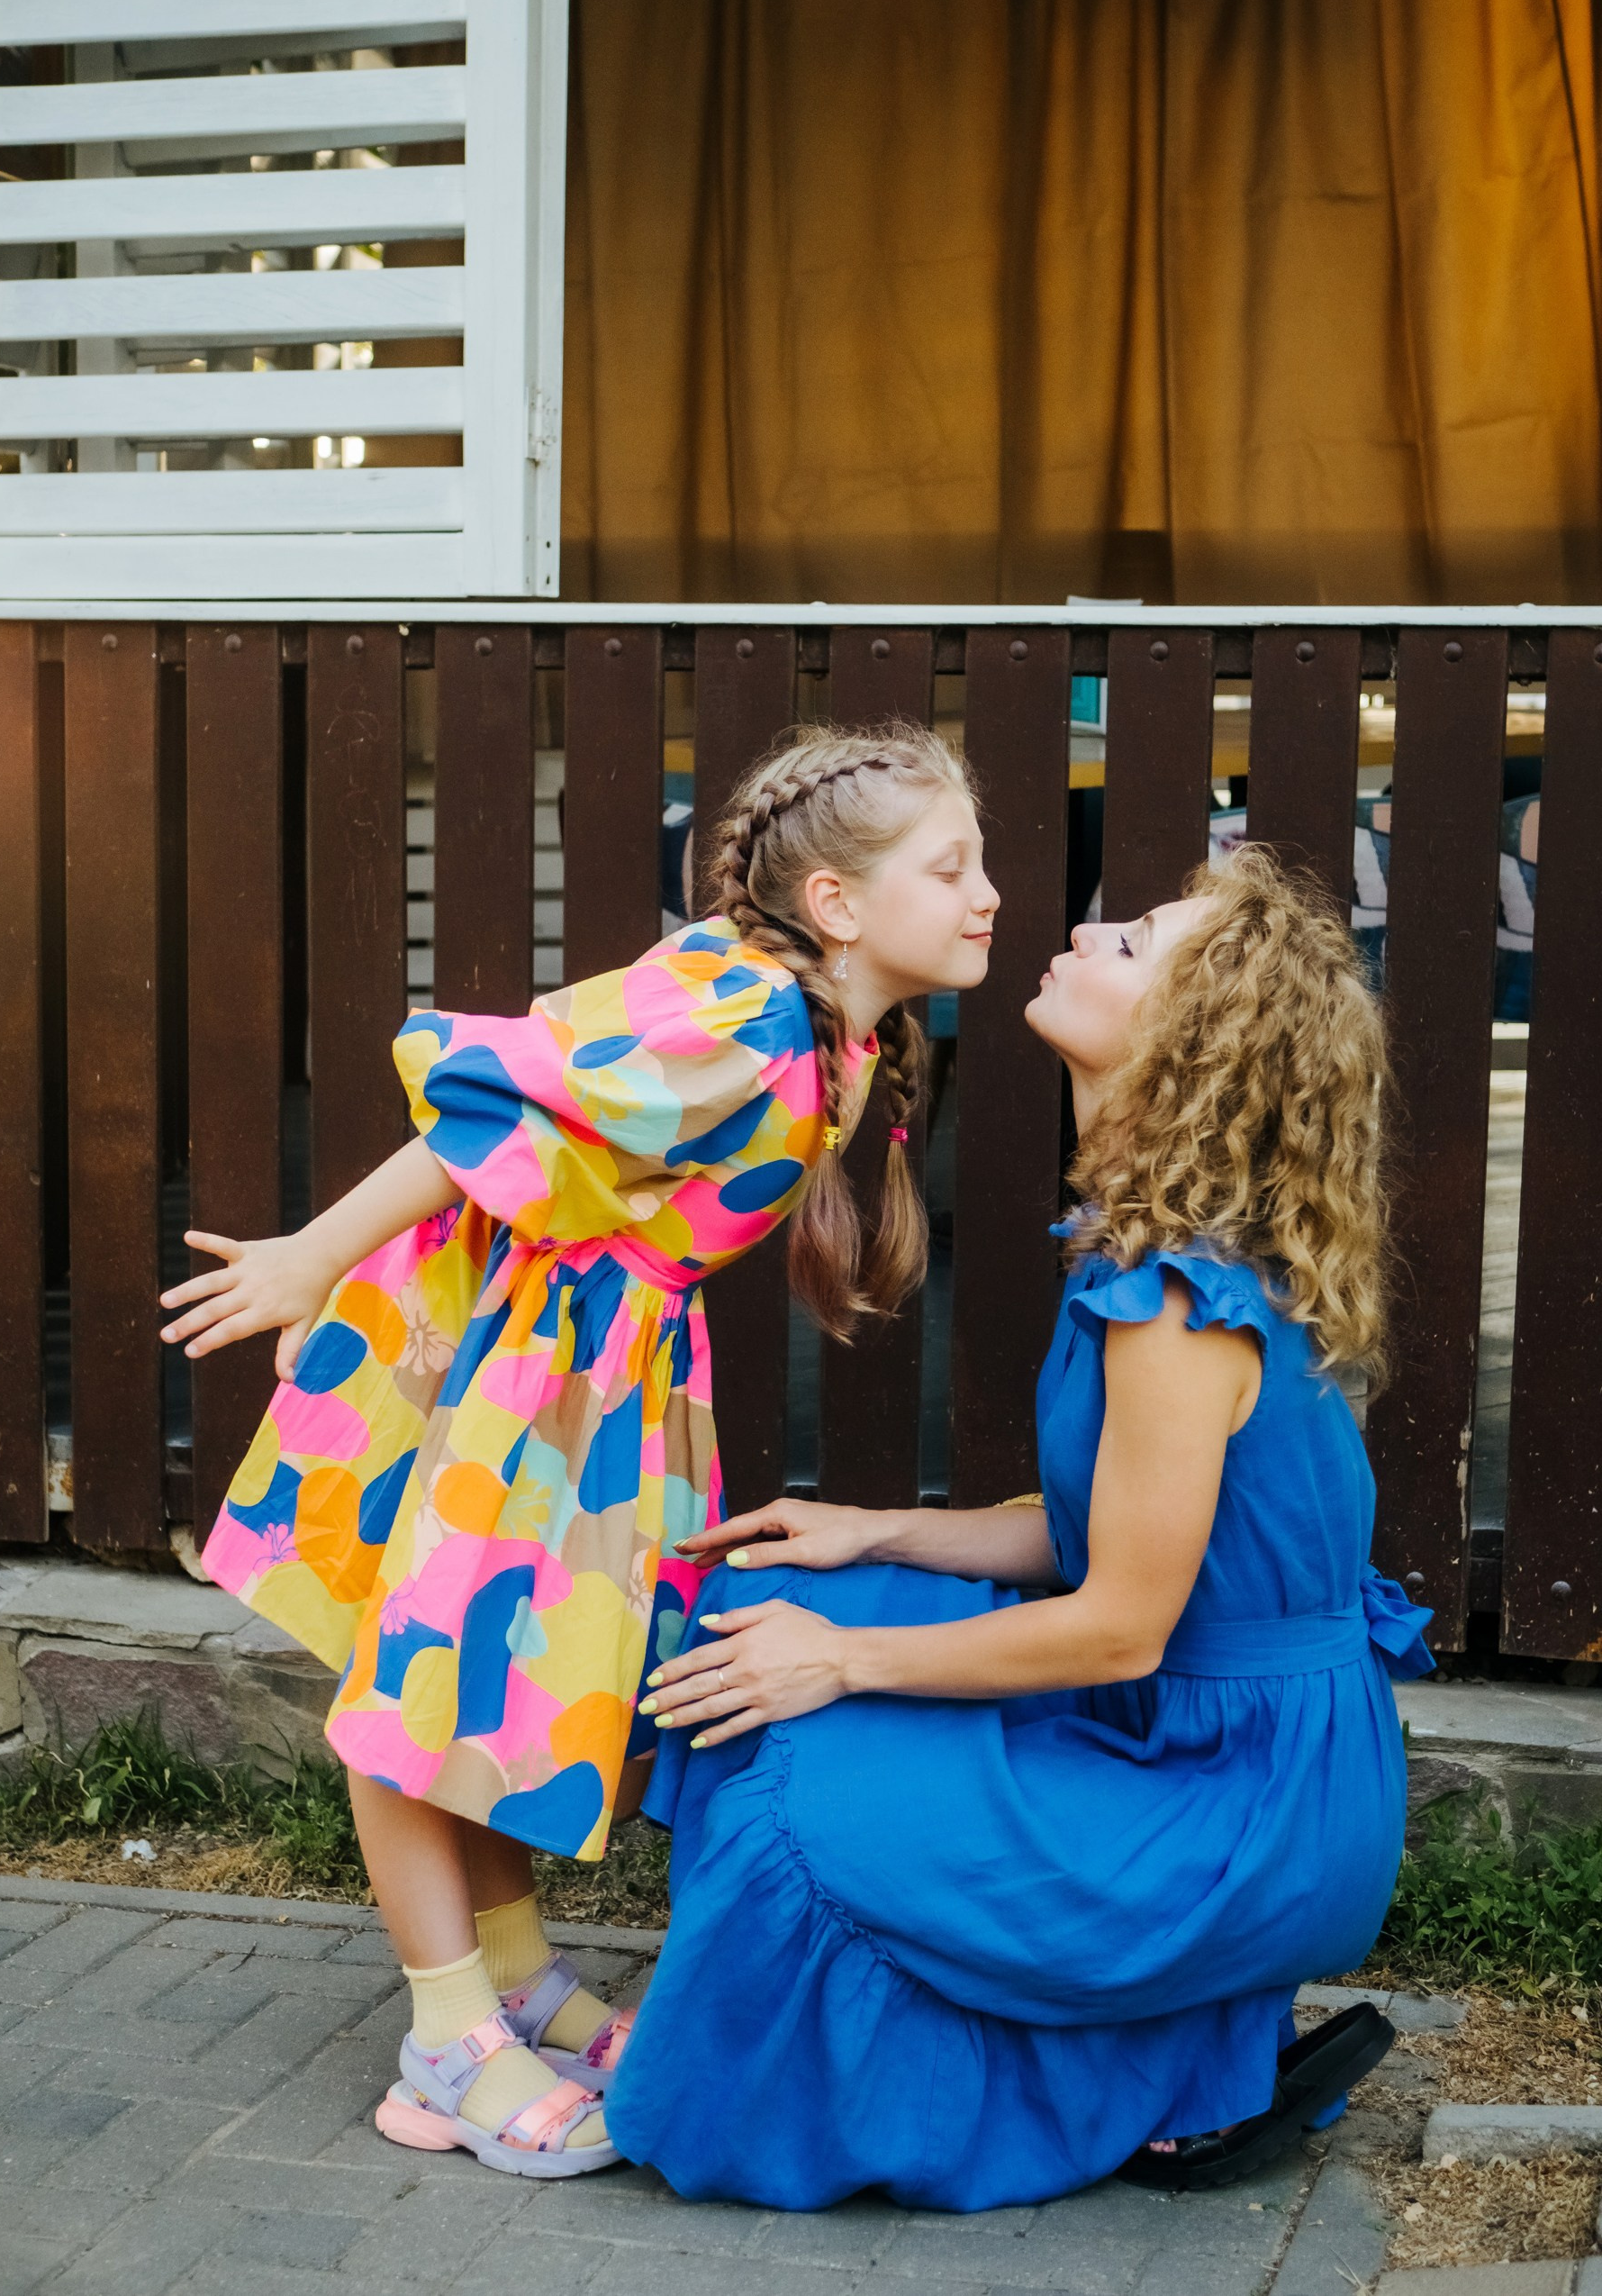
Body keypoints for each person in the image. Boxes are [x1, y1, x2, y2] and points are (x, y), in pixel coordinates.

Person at [159, 718, 999, 2179]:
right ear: (839, 905)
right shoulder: (740, 1011)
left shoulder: (833, 1036)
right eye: (953, 865)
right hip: (511, 1358)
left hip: (597, 1372)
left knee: (502, 1675)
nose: (989, 891)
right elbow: (503, 1097)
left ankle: (520, 1979)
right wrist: (310, 1257)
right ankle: (446, 2040)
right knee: (419, 1684)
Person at [606, 845, 1435, 2210]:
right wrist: (867, 1536)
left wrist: (843, 1661)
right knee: (790, 1624)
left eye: (1133, 946)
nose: (1088, 930)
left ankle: (1142, 2059)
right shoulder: (1145, 1245)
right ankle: (1173, 2047)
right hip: (1204, 1732)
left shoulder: (1178, 1302)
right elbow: (1087, 1538)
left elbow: (1117, 1622)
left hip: (1241, 1799)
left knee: (803, 1790)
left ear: (1191, 1042)